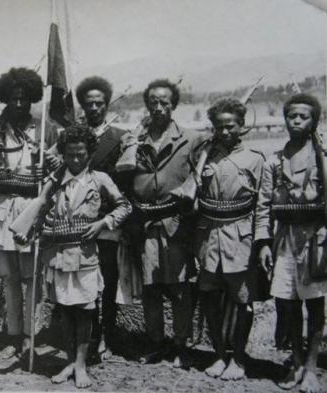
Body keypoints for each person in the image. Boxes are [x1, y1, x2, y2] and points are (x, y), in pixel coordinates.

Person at [14, 123, 131, 387]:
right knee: (64, 310)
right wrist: (28, 233)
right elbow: (40, 212)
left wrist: (103, 223)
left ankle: (81, 364)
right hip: (57, 255)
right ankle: (69, 361)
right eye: (70, 154)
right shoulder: (54, 181)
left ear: (89, 154)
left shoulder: (100, 180)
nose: (75, 159)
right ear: (63, 154)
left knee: (85, 311)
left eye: (81, 154)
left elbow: (125, 206)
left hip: (85, 256)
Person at [119, 79, 205, 368]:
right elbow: (123, 175)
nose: (158, 107)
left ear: (174, 105)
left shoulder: (192, 139)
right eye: (153, 102)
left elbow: (202, 175)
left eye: (164, 102)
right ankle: (155, 343)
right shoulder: (134, 139)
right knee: (151, 288)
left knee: (179, 288)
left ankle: (181, 346)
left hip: (175, 222)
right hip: (143, 223)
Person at [255, 93, 327, 393]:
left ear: (314, 121)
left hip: (317, 238)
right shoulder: (275, 159)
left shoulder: (322, 158)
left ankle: (311, 367)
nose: (296, 121)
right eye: (291, 116)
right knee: (288, 303)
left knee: (315, 305)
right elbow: (263, 205)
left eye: (304, 116)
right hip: (285, 238)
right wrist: (264, 242)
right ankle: (296, 362)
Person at [0, 67, 58, 360]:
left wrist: (48, 167)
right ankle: (12, 336)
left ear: (33, 98)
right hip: (4, 210)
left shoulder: (45, 129)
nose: (19, 104)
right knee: (10, 278)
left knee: (32, 280)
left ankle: (31, 337)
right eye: (14, 98)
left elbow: (60, 167)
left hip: (31, 209)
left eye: (25, 98)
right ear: (5, 98)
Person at [195, 98, 264, 380]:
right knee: (210, 295)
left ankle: (238, 358)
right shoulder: (205, 156)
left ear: (242, 126)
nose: (224, 132)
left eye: (230, 126)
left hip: (241, 236)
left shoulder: (255, 159)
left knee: (242, 299)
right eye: (218, 127)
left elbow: (262, 206)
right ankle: (220, 354)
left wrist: (261, 243)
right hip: (209, 234)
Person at [74, 76, 128, 360]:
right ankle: (84, 335)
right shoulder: (73, 136)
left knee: (108, 279)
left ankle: (106, 334)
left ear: (108, 104)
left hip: (107, 222)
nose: (94, 108)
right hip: (78, 221)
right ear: (82, 105)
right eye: (89, 103)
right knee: (83, 279)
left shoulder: (120, 137)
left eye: (100, 103)